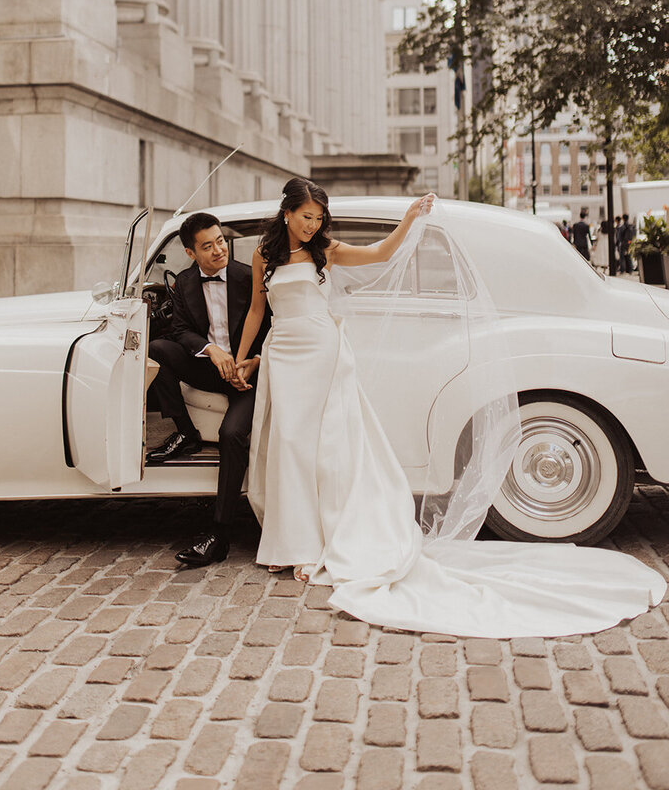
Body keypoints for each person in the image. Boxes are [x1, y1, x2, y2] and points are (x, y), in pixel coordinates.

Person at [233, 177, 665, 638]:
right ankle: (292, 540)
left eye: (319, 218)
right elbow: (258, 311)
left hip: (322, 352)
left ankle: (318, 543)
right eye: (306, 217)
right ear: (287, 213)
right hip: (283, 354)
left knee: (326, 449)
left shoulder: (327, 250)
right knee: (291, 446)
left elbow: (380, 254)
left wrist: (409, 220)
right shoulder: (265, 254)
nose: (312, 225)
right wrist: (243, 356)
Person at [146, 212, 269, 567]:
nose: (218, 251)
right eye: (207, 246)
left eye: (220, 241)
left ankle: (219, 534)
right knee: (158, 349)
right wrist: (211, 351)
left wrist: (252, 361)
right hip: (211, 367)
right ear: (190, 252)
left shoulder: (249, 277)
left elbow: (273, 327)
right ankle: (186, 433)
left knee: (232, 434)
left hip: (249, 373)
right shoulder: (184, 283)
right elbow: (181, 331)